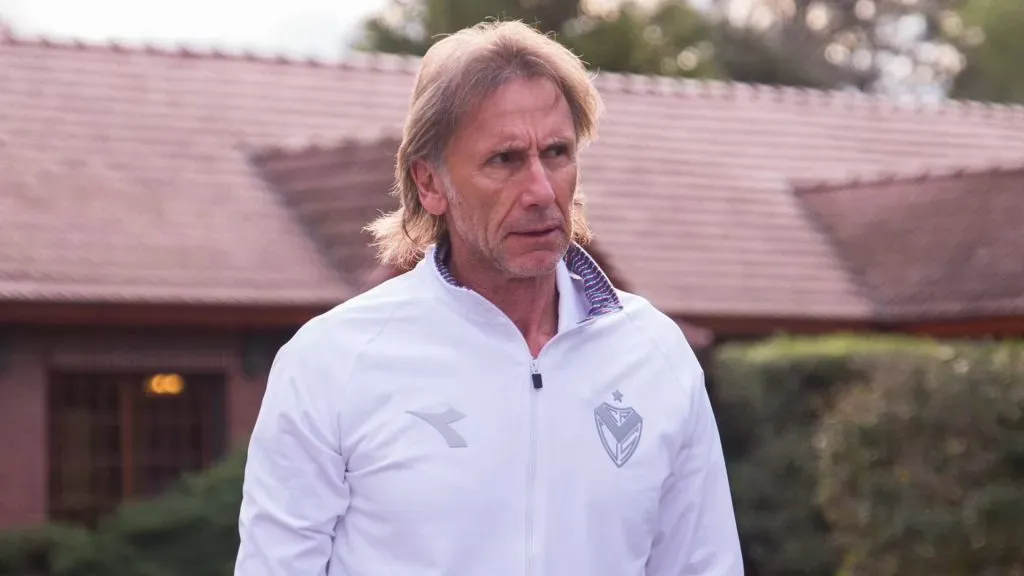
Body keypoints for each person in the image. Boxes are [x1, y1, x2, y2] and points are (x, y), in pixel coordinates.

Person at [234, 19, 743, 576]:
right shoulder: (330, 362)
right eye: (505, 159)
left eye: (557, 152)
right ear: (430, 184)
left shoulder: (656, 354)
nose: (541, 191)